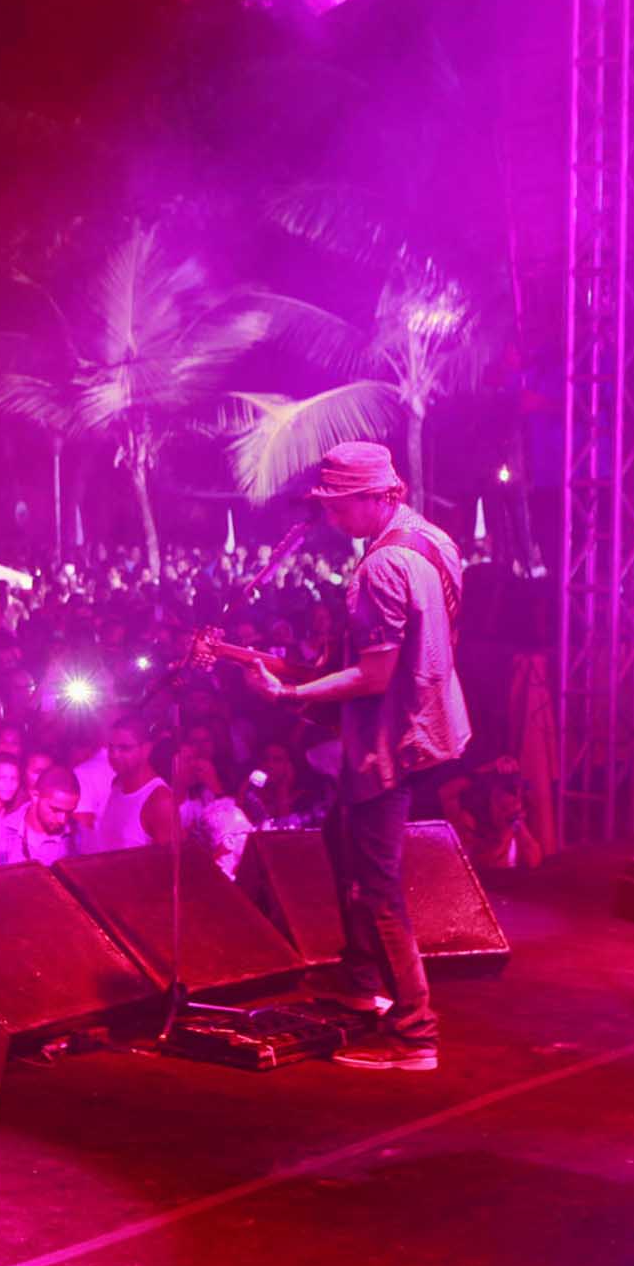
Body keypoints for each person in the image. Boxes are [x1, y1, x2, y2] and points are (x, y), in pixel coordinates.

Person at [244, 441, 469, 1072]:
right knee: (341, 837)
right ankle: (363, 980)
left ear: (377, 497)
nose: (331, 518)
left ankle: (414, 1034)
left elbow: (374, 676)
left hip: (384, 742)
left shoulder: (380, 568)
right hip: (424, 720)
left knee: (378, 887)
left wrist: (288, 692)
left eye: (339, 506)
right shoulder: (435, 541)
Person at [92, 717, 177, 851]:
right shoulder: (117, 784)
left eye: (124, 748)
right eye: (111, 747)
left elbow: (168, 860)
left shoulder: (160, 800)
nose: (114, 755)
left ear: (146, 749)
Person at [0, 764, 81, 868]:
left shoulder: (80, 835)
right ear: (35, 796)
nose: (62, 820)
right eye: (55, 810)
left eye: (69, 812)